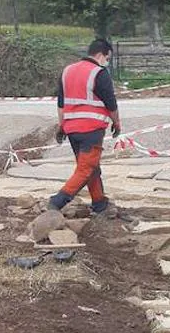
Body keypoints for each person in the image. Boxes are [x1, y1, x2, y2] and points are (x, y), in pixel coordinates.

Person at [47, 38, 121, 217]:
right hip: (91, 128)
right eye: (107, 58)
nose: (107, 62)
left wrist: (61, 125)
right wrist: (117, 123)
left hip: (72, 129)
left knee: (90, 167)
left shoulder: (67, 71)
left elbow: (61, 103)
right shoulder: (99, 73)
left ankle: (99, 202)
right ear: (100, 55)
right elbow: (111, 103)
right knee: (85, 169)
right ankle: (58, 201)